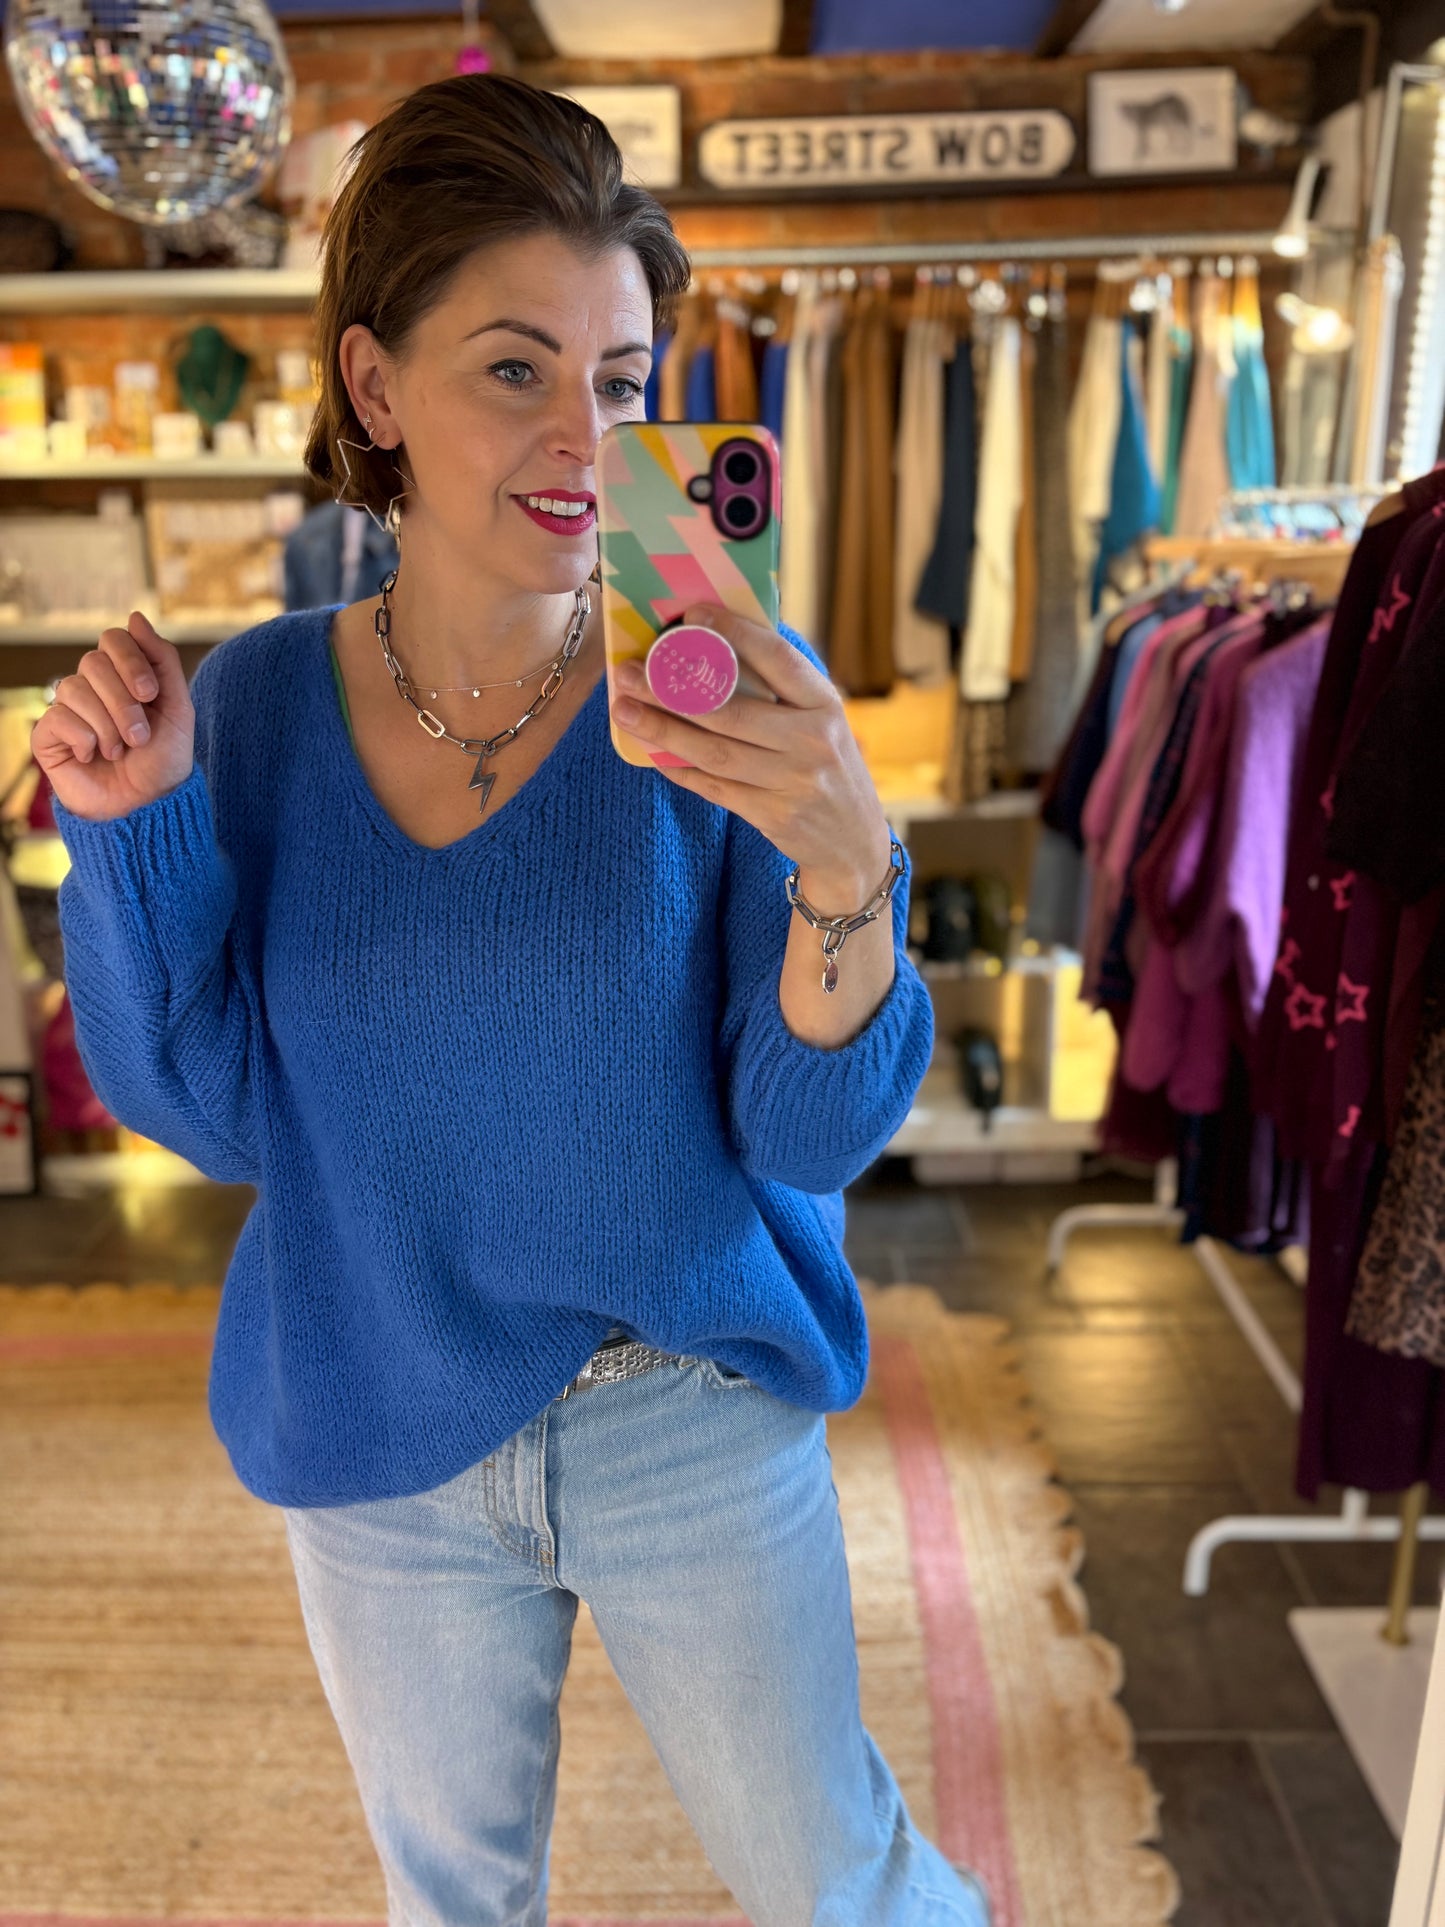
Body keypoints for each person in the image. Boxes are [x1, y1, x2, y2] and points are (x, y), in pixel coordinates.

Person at [32, 73, 990, 1927]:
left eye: (622, 380)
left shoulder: (721, 697)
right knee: (451, 1905)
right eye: (513, 369)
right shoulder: (252, 712)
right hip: (376, 1414)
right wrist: (132, 832)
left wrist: (842, 854)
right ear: (376, 389)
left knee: (841, 1886)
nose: (583, 434)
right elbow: (215, 1113)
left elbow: (806, 1129)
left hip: (683, 1411)